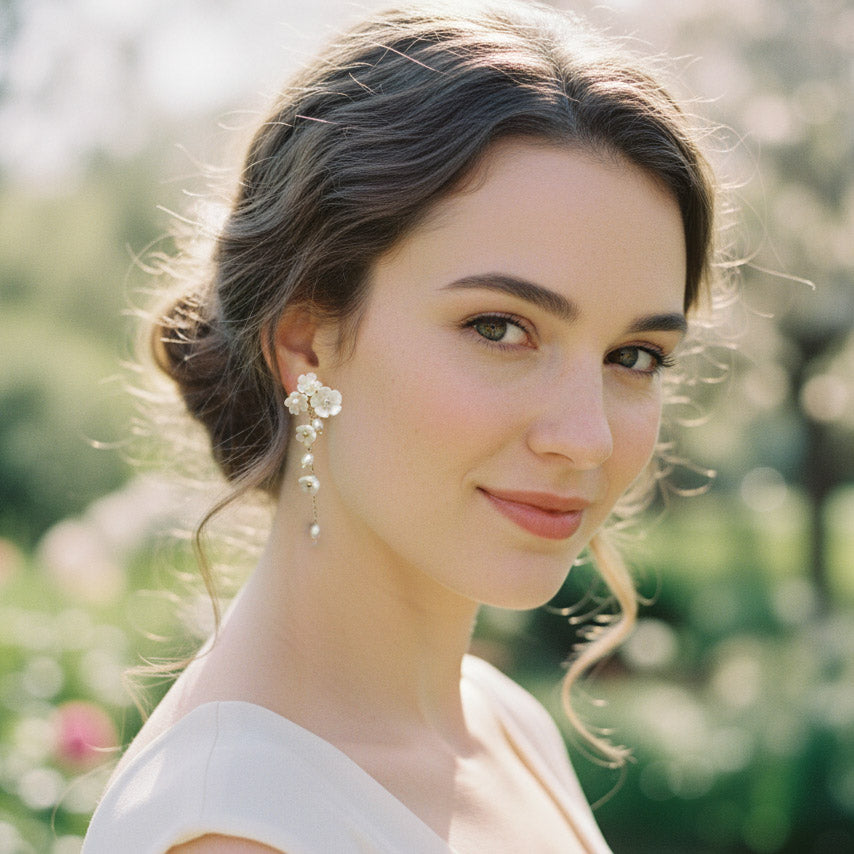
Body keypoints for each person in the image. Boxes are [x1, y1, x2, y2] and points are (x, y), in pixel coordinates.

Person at [83, 0, 719, 850]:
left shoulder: (506, 730)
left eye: (635, 356)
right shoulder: (234, 828)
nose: (588, 438)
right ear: (306, 344)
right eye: (499, 328)